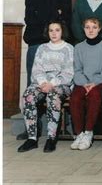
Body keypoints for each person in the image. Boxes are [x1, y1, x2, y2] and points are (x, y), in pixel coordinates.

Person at [17, 21, 74, 153]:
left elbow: (68, 72)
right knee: (28, 96)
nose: (54, 33)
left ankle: (51, 138)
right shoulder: (42, 48)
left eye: (57, 30)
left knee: (53, 96)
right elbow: (37, 69)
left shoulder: (69, 49)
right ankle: (32, 138)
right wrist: (43, 82)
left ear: (62, 31)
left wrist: (51, 84)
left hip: (60, 84)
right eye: (51, 30)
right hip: (41, 83)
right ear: (47, 32)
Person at [24, 0, 72, 86]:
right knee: (34, 83)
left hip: (58, 45)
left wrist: (46, 19)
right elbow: (30, 21)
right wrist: (56, 15)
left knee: (57, 85)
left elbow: (66, 20)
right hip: (37, 41)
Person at [70, 17, 102, 150]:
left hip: (101, 81)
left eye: (94, 27)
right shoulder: (78, 47)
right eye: (87, 27)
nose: (91, 30)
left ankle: (88, 132)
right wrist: (85, 84)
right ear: (83, 29)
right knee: (75, 97)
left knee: (94, 96)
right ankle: (79, 134)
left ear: (99, 29)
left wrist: (94, 83)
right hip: (83, 82)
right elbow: (77, 70)